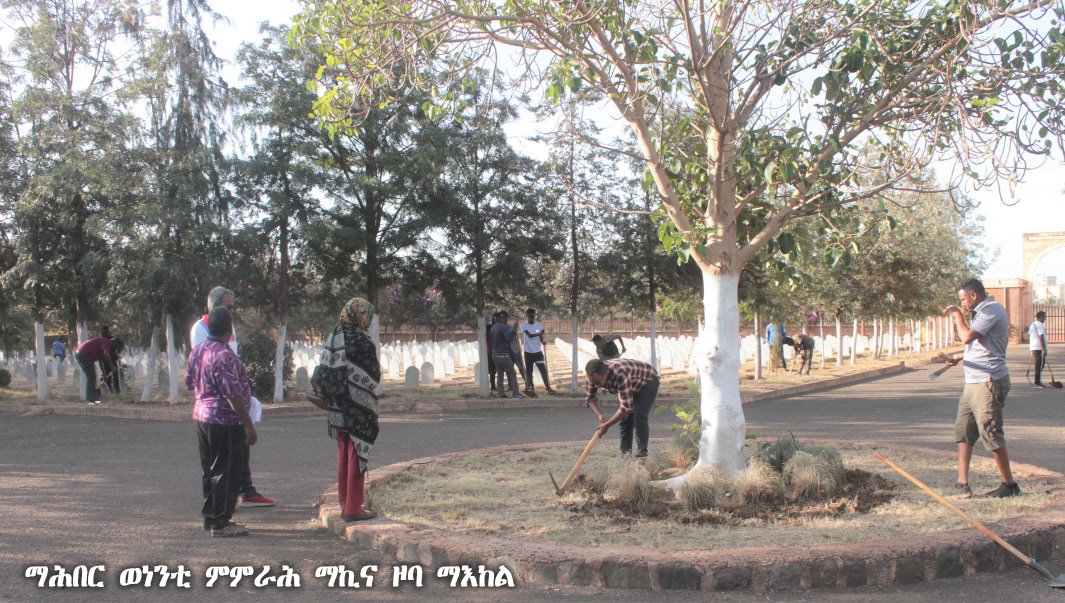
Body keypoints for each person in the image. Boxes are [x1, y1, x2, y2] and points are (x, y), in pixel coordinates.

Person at [190, 286, 274, 509]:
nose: (232, 311)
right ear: (213, 307)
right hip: (222, 410)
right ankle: (219, 516)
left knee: (234, 457)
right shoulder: (201, 329)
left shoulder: (229, 329)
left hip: (217, 408)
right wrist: (244, 417)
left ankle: (243, 492)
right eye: (227, 307)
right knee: (221, 465)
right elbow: (212, 371)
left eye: (232, 307)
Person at [942, 278, 1020, 498]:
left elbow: (967, 336)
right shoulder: (982, 312)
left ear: (973, 295)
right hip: (973, 380)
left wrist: (957, 313)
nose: (964, 304)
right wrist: (959, 357)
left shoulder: (991, 311)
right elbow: (980, 346)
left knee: (990, 431)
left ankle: (1009, 484)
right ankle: (962, 483)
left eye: (963, 300)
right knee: (963, 429)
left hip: (988, 381)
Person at [185, 306, 258, 537]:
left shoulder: (197, 351)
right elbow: (232, 394)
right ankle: (220, 523)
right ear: (229, 329)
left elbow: (189, 383)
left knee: (210, 470)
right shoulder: (224, 355)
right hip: (224, 420)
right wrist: (248, 424)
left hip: (202, 417)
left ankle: (211, 517)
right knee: (226, 471)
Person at [308, 297, 381, 522]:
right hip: (358, 407)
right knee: (357, 453)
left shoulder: (334, 336)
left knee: (343, 453)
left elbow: (324, 369)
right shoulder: (362, 340)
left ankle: (344, 502)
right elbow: (373, 375)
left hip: (337, 405)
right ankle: (353, 509)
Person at [584, 358, 660, 458]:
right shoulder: (592, 377)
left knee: (639, 416)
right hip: (630, 384)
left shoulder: (620, 373)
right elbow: (590, 398)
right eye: (593, 383)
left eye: (598, 383)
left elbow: (625, 408)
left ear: (606, 373)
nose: (596, 386)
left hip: (647, 382)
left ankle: (641, 455)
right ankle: (625, 455)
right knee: (625, 421)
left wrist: (607, 425)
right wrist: (600, 415)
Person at [75, 327, 116, 405]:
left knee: (92, 376)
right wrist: (112, 367)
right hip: (83, 354)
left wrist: (105, 376)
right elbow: (106, 354)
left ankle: (92, 397)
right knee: (91, 376)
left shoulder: (101, 348)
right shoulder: (107, 342)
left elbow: (102, 362)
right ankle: (90, 398)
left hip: (81, 353)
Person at [519, 308, 556, 395]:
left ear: (534, 315)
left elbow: (542, 334)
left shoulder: (539, 325)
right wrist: (539, 334)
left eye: (533, 316)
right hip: (528, 352)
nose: (531, 317)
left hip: (538, 352)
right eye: (529, 316)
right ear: (527, 316)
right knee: (529, 371)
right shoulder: (523, 325)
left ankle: (548, 387)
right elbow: (529, 335)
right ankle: (531, 387)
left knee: (543, 369)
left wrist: (543, 341)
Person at [490, 311, 523, 398]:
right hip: (503, 354)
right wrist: (514, 330)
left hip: (495, 354)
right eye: (506, 318)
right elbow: (509, 338)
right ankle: (516, 393)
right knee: (512, 373)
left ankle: (501, 393)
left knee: (500, 375)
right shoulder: (504, 327)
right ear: (503, 317)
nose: (507, 320)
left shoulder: (493, 327)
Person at [1029, 311, 1048, 387]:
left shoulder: (1032, 324)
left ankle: (1038, 379)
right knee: (1040, 364)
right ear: (1040, 317)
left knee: (1040, 364)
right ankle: (1037, 381)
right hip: (1038, 347)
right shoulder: (1040, 325)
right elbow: (1041, 337)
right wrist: (1044, 348)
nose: (1045, 318)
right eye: (1044, 316)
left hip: (1034, 347)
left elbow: (1030, 334)